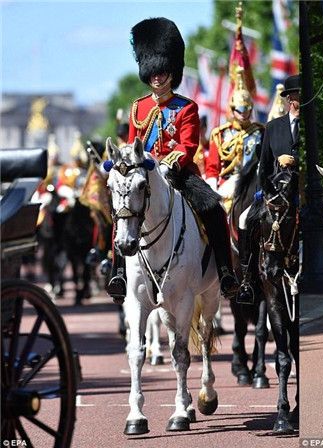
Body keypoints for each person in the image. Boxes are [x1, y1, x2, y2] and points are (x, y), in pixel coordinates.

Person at [106, 17, 238, 302]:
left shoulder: (186, 107)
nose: (157, 76)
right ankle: (118, 272)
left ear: (171, 71)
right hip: (143, 174)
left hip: (178, 173)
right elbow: (131, 146)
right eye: (153, 71)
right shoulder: (137, 108)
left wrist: (168, 165)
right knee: (121, 210)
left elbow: (189, 144)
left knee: (214, 208)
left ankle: (226, 272)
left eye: (162, 71)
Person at [236, 74, 301, 304]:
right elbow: (264, 164)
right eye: (296, 95)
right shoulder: (274, 127)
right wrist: (267, 191)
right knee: (245, 220)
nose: (299, 100)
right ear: (289, 99)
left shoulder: (309, 125)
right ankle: (247, 279)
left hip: (301, 194)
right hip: (274, 193)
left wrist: (296, 161)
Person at [205, 69, 264, 208]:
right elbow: (212, 168)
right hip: (228, 185)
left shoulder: (261, 132)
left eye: (247, 109)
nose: (243, 113)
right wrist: (213, 189)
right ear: (232, 110)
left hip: (255, 180)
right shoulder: (219, 134)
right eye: (239, 110)